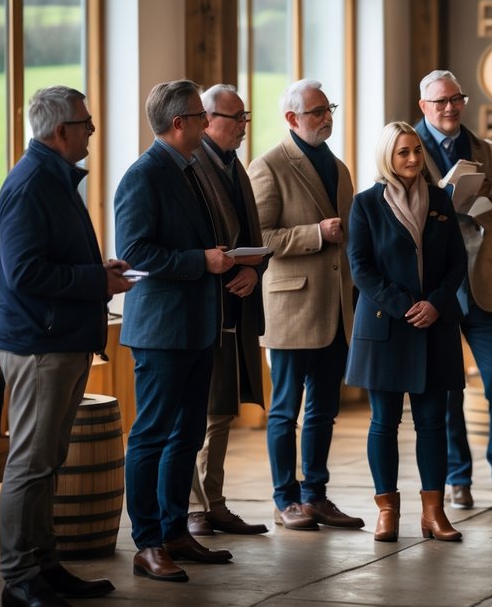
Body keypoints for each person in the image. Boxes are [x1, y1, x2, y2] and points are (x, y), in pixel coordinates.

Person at [0, 86, 133, 607]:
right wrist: (96, 281)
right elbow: (26, 272)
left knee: (48, 461)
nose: (92, 132)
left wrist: (99, 275)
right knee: (30, 463)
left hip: (60, 341)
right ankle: (18, 577)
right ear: (60, 132)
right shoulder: (31, 186)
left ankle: (45, 566)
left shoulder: (53, 180)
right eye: (86, 124)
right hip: (38, 346)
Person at [115, 79, 251, 583]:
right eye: (200, 116)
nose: (206, 122)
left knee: (186, 435)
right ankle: (146, 543)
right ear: (180, 123)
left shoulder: (191, 169)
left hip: (197, 327)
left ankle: (174, 531)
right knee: (151, 436)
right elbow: (136, 253)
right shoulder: (143, 175)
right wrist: (204, 260)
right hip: (161, 330)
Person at [414, 69, 492, 514]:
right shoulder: (405, 148)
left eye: (456, 98)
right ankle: (457, 478)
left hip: (485, 285)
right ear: (424, 107)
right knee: (448, 391)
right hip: (436, 288)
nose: (451, 108)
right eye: (441, 101)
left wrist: (475, 207)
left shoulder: (487, 151)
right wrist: (442, 210)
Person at [248, 80, 364, 532]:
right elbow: (257, 239)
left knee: (323, 410)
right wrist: (316, 233)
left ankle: (315, 495)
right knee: (285, 410)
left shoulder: (339, 167)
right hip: (292, 308)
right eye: (316, 112)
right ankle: (285, 499)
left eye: (328, 108)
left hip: (337, 309)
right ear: (292, 119)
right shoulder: (269, 166)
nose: (326, 117)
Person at [345, 122, 468, 543]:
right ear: (387, 157)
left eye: (417, 150)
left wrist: (434, 303)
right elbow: (361, 268)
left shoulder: (440, 200)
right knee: (384, 422)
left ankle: (434, 513)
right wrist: (405, 307)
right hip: (387, 327)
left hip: (435, 323)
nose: (414, 158)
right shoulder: (364, 204)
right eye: (403, 152)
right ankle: (387, 513)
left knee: (433, 422)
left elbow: (457, 262)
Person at [186, 84, 269, 538]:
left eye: (245, 116)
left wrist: (255, 271)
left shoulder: (233, 165)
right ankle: (197, 508)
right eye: (235, 118)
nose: (243, 126)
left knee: (221, 413)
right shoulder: (191, 166)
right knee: (200, 415)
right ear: (206, 118)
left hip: (235, 304)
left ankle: (213, 503)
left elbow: (256, 237)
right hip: (203, 308)